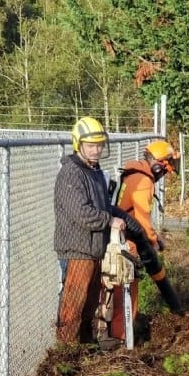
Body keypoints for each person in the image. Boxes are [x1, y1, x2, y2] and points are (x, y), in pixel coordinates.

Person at [54, 116, 146, 346]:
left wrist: (127, 220)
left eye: (99, 145)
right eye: (91, 146)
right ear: (79, 144)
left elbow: (104, 206)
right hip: (77, 249)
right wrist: (110, 220)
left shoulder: (94, 171)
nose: (96, 150)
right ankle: (66, 352)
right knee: (73, 306)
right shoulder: (72, 173)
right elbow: (81, 213)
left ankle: (84, 347)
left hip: (94, 249)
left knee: (90, 304)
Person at [108, 139, 185, 339]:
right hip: (127, 240)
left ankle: (123, 330)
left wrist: (154, 237)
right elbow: (142, 217)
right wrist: (152, 242)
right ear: (159, 165)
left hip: (125, 235)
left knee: (122, 285)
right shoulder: (143, 181)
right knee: (127, 285)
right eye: (166, 168)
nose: (165, 173)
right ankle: (122, 335)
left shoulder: (134, 174)